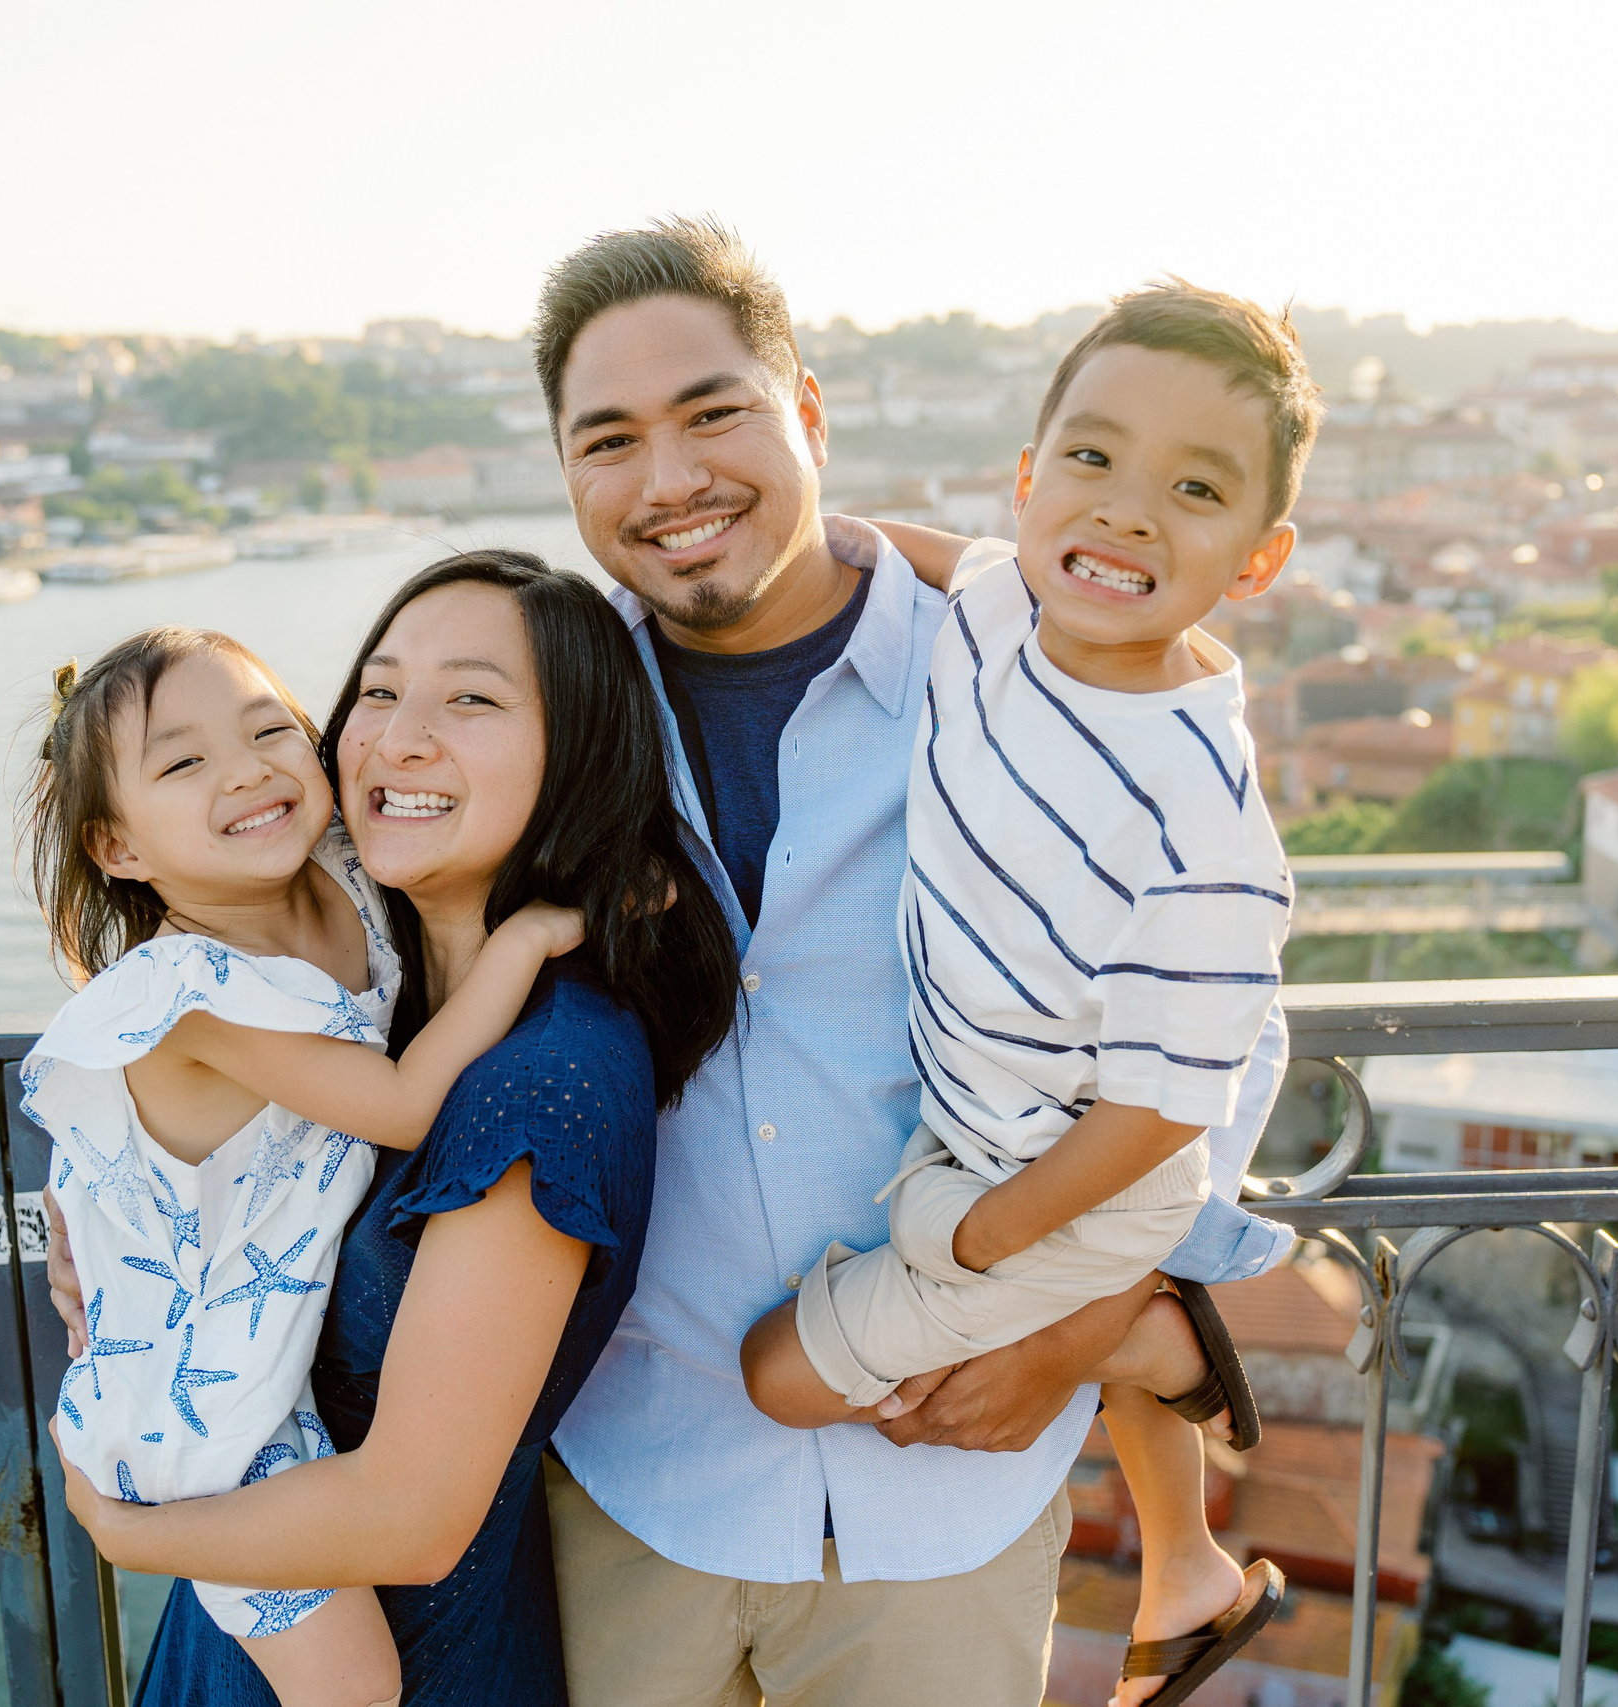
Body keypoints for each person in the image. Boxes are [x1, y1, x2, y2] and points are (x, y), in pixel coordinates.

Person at [530, 218, 1303, 1707]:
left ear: (807, 413)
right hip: (634, 1478)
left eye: (713, 414)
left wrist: (1087, 1329)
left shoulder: (1037, 663)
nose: (670, 478)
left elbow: (1228, 1036)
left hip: (951, 1492)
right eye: (609, 439)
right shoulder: (540, 713)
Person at [736, 282, 1323, 1706]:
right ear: (1028, 480)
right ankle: (1184, 1569)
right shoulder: (1004, 608)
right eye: (1093, 459)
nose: (1126, 511)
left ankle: (1138, 1327)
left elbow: (1152, 1113)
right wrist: (830, 541)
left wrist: (1001, 1242)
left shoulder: (1202, 818)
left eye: (1194, 487)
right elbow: (939, 561)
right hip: (988, 1124)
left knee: (776, 1374)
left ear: (1257, 559)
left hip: (1070, 1175)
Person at [46, 554, 741, 1706]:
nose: (397, 740)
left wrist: (125, 1538)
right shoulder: (382, 966)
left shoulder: (538, 1081)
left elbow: (412, 1519)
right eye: (376, 693)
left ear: (576, 751)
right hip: (251, 1562)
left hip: (395, 1636)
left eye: (469, 698)